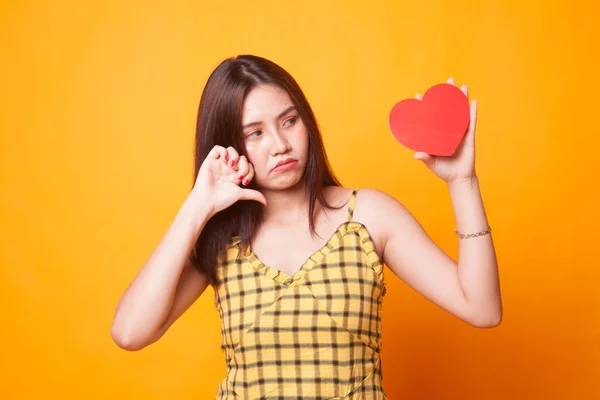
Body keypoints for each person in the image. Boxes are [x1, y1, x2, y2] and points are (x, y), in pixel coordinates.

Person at [111, 54, 502, 399]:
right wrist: (198, 205)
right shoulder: (221, 237)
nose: (280, 144)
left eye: (289, 120)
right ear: (230, 144)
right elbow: (130, 333)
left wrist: (462, 182)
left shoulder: (367, 216)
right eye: (255, 133)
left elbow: (482, 308)